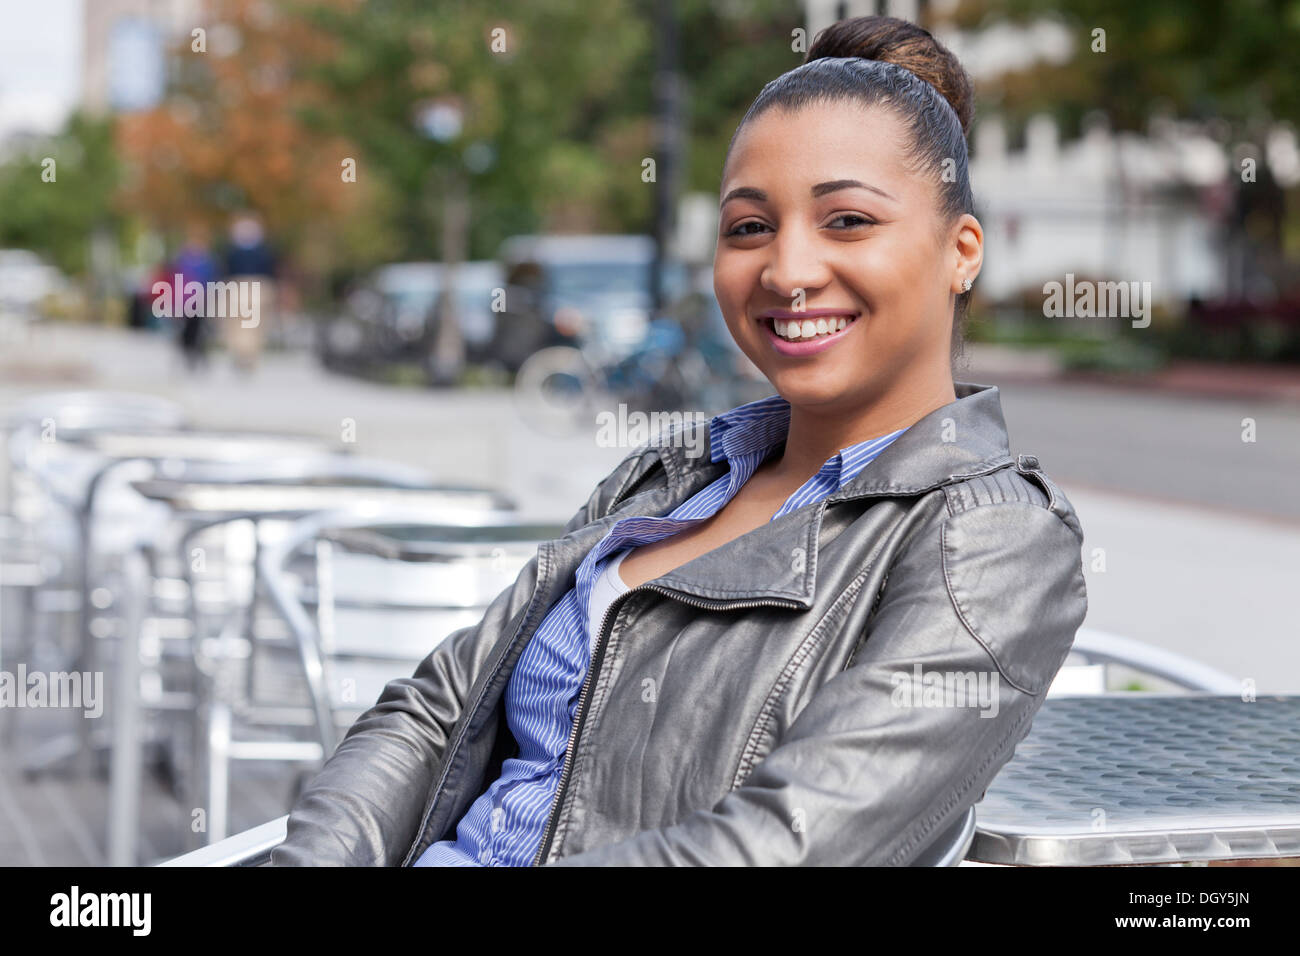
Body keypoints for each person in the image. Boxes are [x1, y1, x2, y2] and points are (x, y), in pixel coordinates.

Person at [271, 15, 1088, 867]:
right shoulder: (673, 476)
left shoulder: (991, 536)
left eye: (847, 221)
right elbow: (436, 708)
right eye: (748, 227)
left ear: (962, 251)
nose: (787, 269)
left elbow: (781, 848)